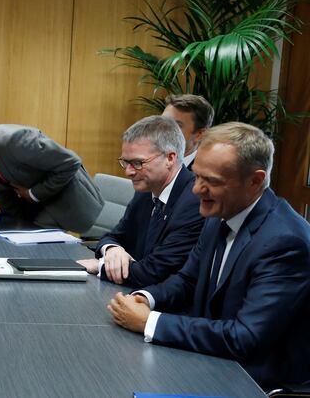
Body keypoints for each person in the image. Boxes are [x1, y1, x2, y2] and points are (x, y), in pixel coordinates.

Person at [107, 122, 310, 390]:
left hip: (254, 381)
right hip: (211, 360)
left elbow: (245, 337)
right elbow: (187, 280)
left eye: (211, 181)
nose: (195, 189)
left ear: (255, 180)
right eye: (197, 176)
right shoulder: (219, 214)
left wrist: (151, 322)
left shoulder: (285, 242)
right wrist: (146, 298)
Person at [77, 116, 204, 287]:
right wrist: (113, 249)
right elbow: (113, 236)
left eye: (137, 163)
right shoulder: (146, 191)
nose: (128, 172)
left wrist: (100, 266)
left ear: (170, 158)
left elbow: (154, 272)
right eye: (126, 162)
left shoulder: (194, 202)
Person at [0, 109, 103, 233]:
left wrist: (33, 193)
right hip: (39, 214)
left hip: (73, 205)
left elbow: (70, 163)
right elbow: (0, 191)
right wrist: (12, 226)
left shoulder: (15, 139)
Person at [161, 94, 214, 170]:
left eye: (176, 125)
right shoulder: (146, 160)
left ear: (200, 134)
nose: (163, 129)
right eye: (162, 121)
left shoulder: (206, 172)